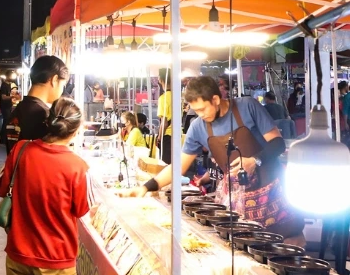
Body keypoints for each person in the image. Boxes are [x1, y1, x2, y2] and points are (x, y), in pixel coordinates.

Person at [127, 76, 303, 244]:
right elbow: (178, 166)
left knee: (289, 240)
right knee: (244, 247)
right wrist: (146, 187)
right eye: (196, 110)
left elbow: (278, 143)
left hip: (273, 193)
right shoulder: (198, 128)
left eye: (203, 109)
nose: (200, 114)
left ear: (216, 99)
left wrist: (254, 160)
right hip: (238, 199)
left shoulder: (248, 106)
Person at [0, 98, 88, 275]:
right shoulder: (76, 166)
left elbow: (2, 188)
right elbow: (80, 209)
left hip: (20, 254)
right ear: (75, 130)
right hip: (58, 259)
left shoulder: (21, 150)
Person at [3, 56, 70, 155]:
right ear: (54, 80)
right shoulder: (41, 115)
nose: (61, 90)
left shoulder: (20, 109)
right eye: (63, 85)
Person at [157, 70, 173, 164]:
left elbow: (164, 122)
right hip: (177, 135)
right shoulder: (177, 96)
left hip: (167, 136)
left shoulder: (163, 98)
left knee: (165, 165)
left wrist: (159, 138)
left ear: (161, 79)